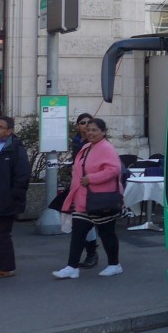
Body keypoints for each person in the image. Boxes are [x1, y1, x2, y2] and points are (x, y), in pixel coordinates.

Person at [53, 117, 123, 279]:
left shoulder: (106, 148)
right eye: (89, 129)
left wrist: (91, 178)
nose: (90, 132)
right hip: (84, 200)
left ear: (103, 132)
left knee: (107, 233)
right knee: (77, 233)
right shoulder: (86, 147)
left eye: (94, 130)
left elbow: (114, 169)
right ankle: (72, 267)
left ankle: (114, 264)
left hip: (101, 199)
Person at [0, 114, 32, 278]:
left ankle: (6, 267)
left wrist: (12, 196)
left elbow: (23, 175)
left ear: (9, 131)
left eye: (0, 127)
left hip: (6, 199)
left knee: (2, 234)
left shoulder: (15, 149)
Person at [70, 113, 100, 268]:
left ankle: (92, 253)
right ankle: (88, 254)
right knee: (82, 223)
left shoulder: (96, 143)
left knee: (88, 223)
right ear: (78, 126)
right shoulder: (76, 142)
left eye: (89, 123)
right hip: (78, 187)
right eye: (83, 122)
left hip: (92, 188)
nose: (86, 126)